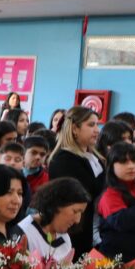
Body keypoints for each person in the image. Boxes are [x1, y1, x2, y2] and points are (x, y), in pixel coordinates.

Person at [47, 106, 104, 256]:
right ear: (74, 129)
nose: (97, 130)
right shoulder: (64, 160)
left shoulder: (93, 157)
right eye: (91, 125)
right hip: (72, 229)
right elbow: (84, 193)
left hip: (87, 226)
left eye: (97, 125)